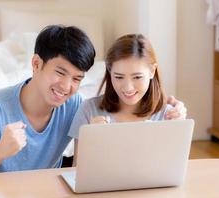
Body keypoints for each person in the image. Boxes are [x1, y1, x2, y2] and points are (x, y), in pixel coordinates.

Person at [0, 26, 185, 179]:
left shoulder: (75, 105)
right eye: (60, 72)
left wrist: (176, 113)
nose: (66, 87)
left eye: (77, 78)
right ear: (36, 64)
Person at [68, 34, 187, 165]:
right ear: (109, 71)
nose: (128, 88)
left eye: (137, 77)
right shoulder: (88, 110)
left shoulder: (169, 115)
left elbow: (174, 169)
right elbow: (76, 171)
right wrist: (91, 141)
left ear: (152, 71)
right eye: (119, 77)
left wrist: (178, 129)